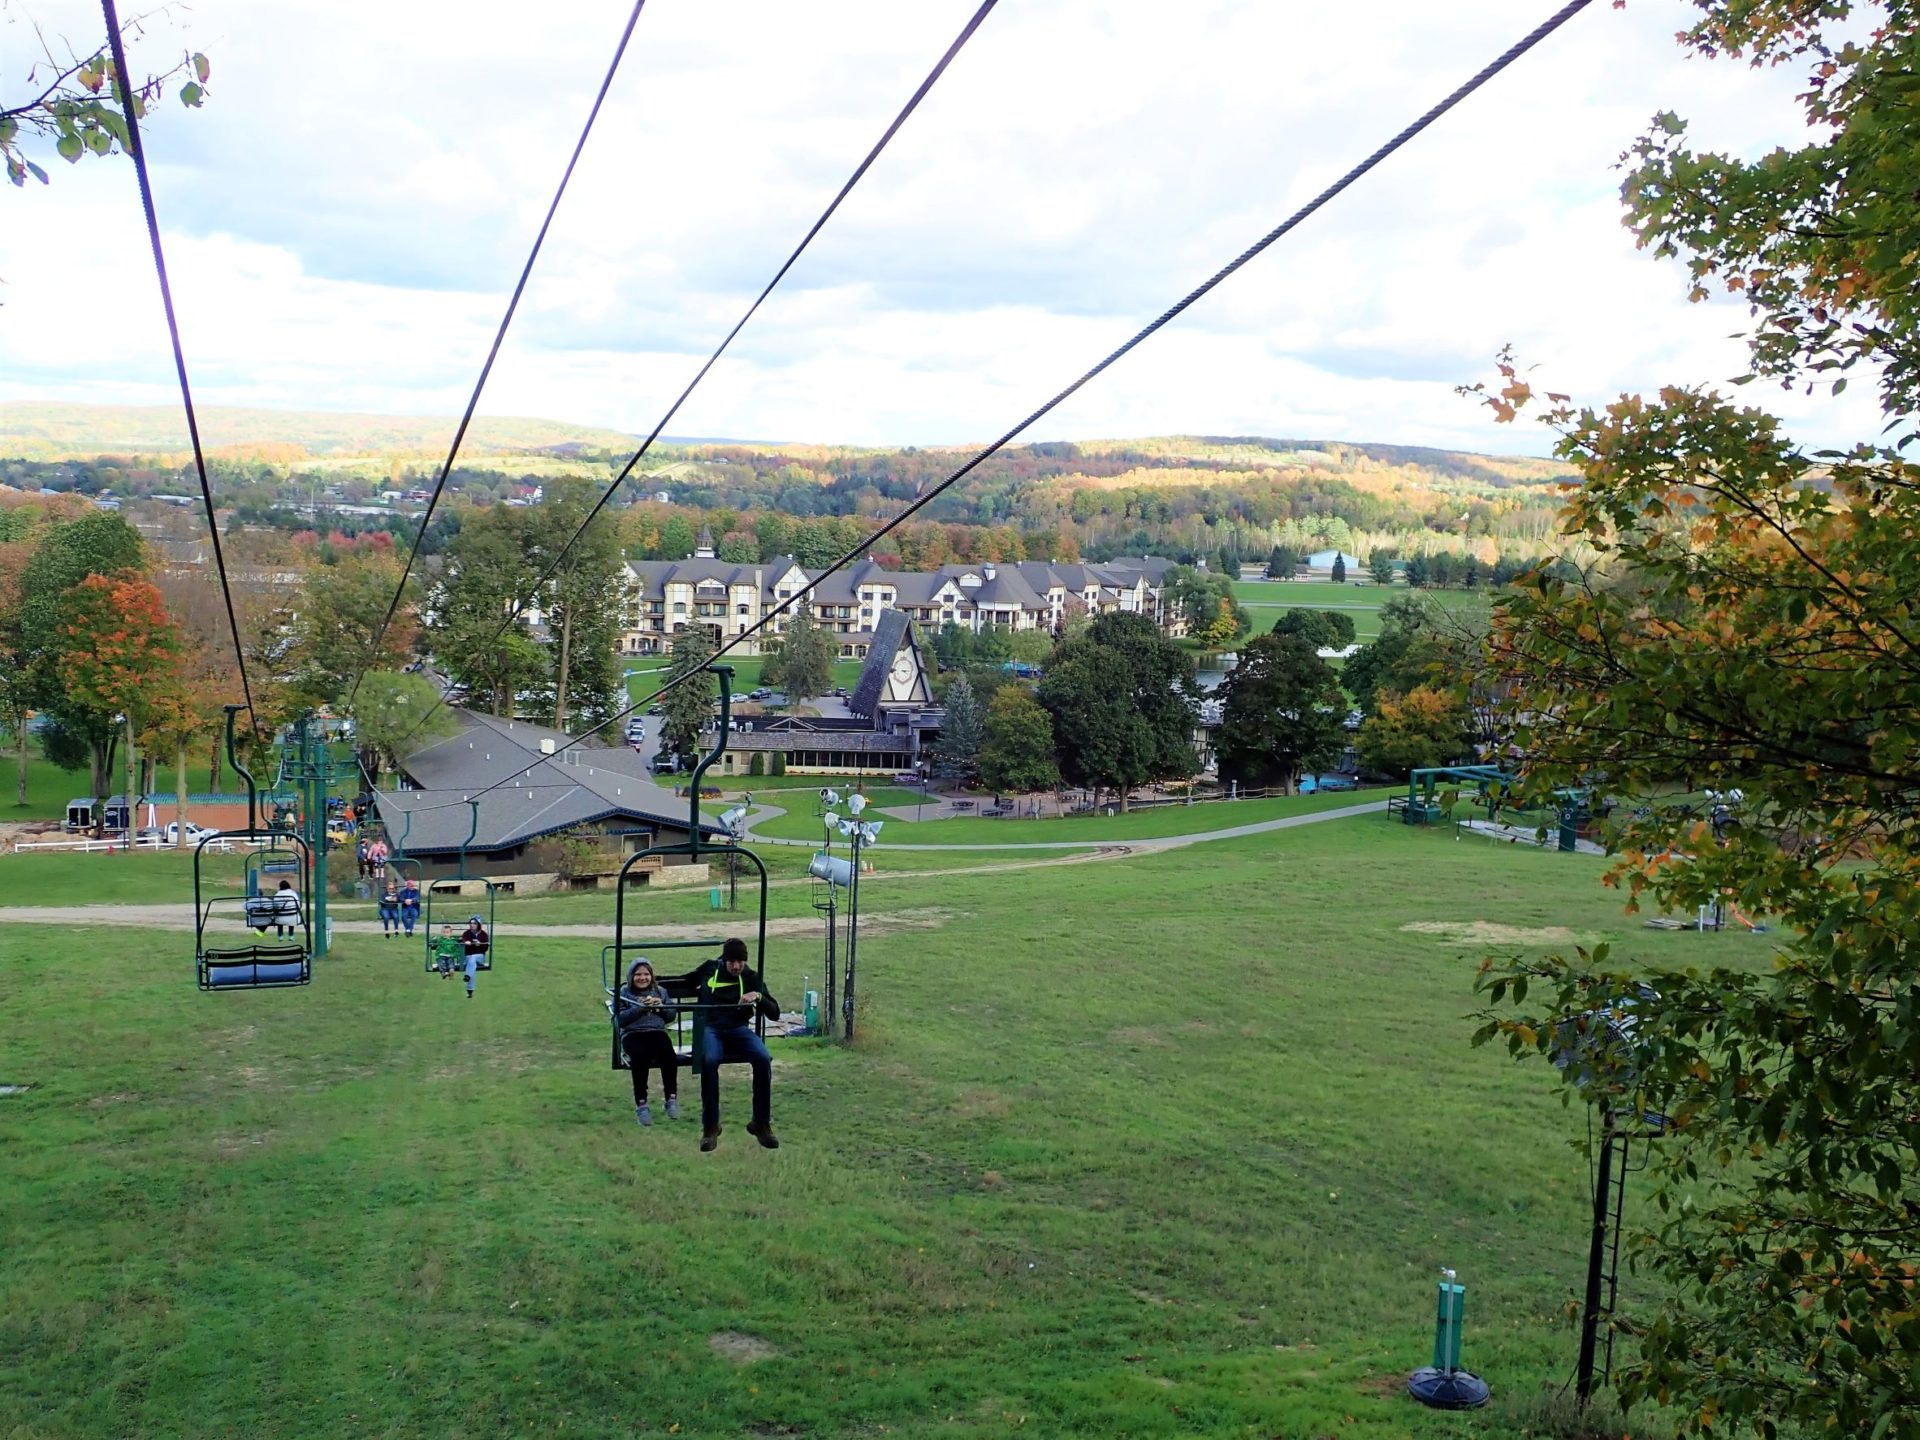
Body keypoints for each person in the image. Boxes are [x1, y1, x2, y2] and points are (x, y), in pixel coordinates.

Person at [686, 937, 780, 1152]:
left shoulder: (751, 977)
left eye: (741, 961)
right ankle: (710, 1127)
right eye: (732, 962)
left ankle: (761, 1123)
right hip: (711, 1028)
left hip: (739, 1029)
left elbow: (775, 1013)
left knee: (763, 1058)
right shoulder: (710, 969)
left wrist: (758, 997)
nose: (737, 966)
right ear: (724, 960)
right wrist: (647, 983)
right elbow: (685, 982)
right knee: (709, 1060)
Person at [614, 958, 680, 1126]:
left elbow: (671, 1016)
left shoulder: (660, 992)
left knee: (669, 1056)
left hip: (656, 1032)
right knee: (639, 1058)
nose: (642, 978)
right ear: (631, 977)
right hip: (633, 1034)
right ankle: (641, 1103)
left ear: (651, 976)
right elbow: (620, 1020)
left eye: (646, 974)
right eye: (637, 975)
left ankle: (671, 1098)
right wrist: (639, 1008)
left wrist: (661, 1007)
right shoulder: (624, 992)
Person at [459, 914, 489, 998]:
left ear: (479, 924)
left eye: (474, 923)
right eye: (471, 923)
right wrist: (466, 942)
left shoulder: (483, 934)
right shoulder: (466, 933)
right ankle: (470, 991)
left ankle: (468, 980)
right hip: (468, 956)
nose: (472, 925)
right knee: (472, 964)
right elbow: (464, 940)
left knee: (473, 959)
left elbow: (486, 948)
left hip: (479, 957)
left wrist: (479, 944)